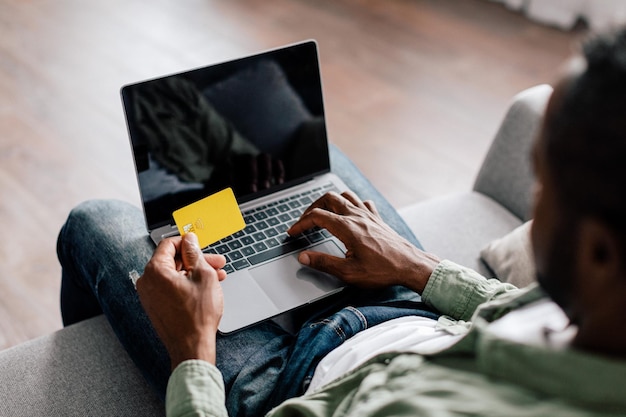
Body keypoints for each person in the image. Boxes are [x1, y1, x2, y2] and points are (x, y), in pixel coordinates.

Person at [58, 28, 626, 416]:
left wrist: (191, 349)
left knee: (95, 219)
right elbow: (513, 305)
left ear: (599, 254)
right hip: (405, 301)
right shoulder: (595, 315)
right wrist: (417, 266)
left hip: (286, 380)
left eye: (542, 180)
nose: (536, 196)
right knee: (308, 175)